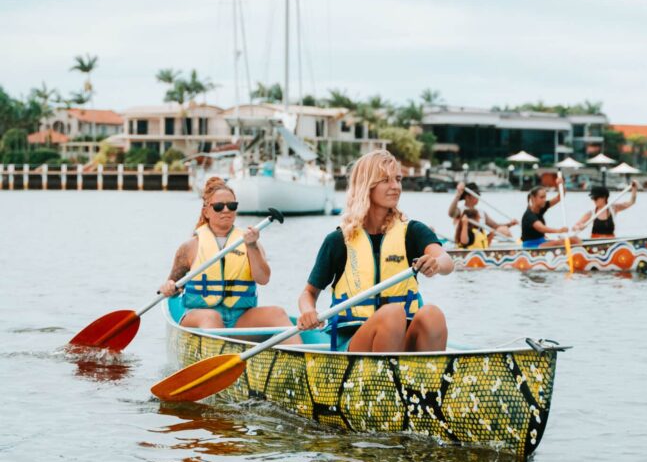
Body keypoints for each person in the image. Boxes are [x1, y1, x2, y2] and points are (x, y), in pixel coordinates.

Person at [297, 150, 454, 353]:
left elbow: (446, 260)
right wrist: (308, 311)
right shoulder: (338, 241)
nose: (395, 186)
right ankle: (386, 372)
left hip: (402, 336)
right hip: (353, 341)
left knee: (433, 315)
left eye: (398, 179)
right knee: (392, 315)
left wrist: (437, 264)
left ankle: (425, 374)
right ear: (366, 185)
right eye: (386, 180)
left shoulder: (412, 231)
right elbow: (308, 293)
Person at [159, 177, 295, 340]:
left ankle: (302, 355)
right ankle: (220, 352)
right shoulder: (190, 247)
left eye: (232, 206)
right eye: (218, 206)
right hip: (199, 318)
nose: (226, 210)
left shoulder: (251, 242)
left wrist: (252, 246)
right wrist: (169, 287)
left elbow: (263, 279)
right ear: (206, 211)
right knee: (211, 317)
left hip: (239, 318)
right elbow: (173, 287)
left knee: (277, 314)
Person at [520, 183, 580, 248]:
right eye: (541, 197)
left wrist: (561, 184)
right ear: (533, 198)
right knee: (559, 243)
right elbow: (541, 228)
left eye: (545, 197)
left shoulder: (541, 207)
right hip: (531, 246)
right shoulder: (529, 215)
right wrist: (559, 230)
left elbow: (559, 197)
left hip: (542, 241)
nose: (544, 200)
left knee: (575, 239)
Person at [448, 182, 517, 238]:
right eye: (476, 194)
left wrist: (510, 224)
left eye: (478, 194)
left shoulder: (481, 212)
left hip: (480, 241)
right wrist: (458, 194)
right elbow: (451, 213)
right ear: (467, 197)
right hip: (466, 242)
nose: (478, 197)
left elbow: (495, 226)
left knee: (504, 230)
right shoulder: (460, 210)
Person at [573, 181, 638, 238]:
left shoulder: (614, 208)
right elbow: (574, 227)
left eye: (595, 198)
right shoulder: (591, 213)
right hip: (595, 243)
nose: (594, 200)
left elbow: (631, 202)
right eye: (592, 198)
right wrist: (579, 227)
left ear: (604, 197)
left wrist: (634, 189)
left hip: (610, 242)